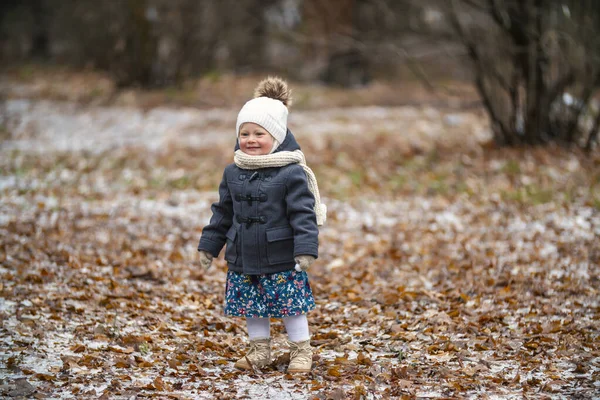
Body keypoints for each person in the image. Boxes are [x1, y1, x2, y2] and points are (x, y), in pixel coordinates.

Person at [197, 77, 326, 373]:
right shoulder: (233, 171)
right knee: (252, 305)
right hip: (243, 253)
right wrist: (209, 245)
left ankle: (301, 351)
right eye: (245, 133)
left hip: (280, 256)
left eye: (259, 133)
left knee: (291, 307)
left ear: (277, 137)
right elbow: (222, 212)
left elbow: (302, 214)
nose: (251, 139)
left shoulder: (291, 173)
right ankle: (259, 350)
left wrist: (305, 249)